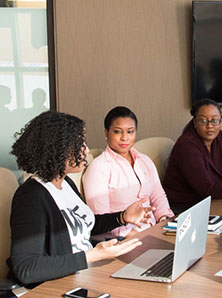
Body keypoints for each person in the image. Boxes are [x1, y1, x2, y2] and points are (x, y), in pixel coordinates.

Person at [8, 111, 150, 289]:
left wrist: (122, 217)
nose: (87, 150)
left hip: (86, 274)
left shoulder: (65, 183)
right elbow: (26, 268)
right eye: (80, 143)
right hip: (60, 286)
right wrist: (91, 255)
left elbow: (83, 226)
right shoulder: (30, 197)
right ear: (58, 149)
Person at [83, 106, 174, 237]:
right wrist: (136, 236)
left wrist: (165, 220)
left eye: (130, 132)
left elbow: (158, 197)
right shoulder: (98, 169)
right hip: (125, 238)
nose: (124, 138)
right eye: (117, 132)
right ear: (106, 132)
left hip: (156, 231)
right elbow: (100, 220)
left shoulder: (144, 160)